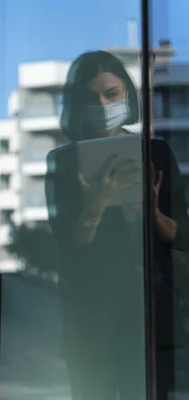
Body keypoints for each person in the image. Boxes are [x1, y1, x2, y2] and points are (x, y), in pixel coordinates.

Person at [45, 50, 189, 399]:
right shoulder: (64, 163)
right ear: (77, 106)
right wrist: (94, 206)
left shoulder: (156, 154)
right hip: (93, 324)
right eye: (90, 98)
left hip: (153, 318)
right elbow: (68, 248)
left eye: (111, 93)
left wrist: (150, 212)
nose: (102, 103)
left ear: (127, 93)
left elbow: (182, 236)